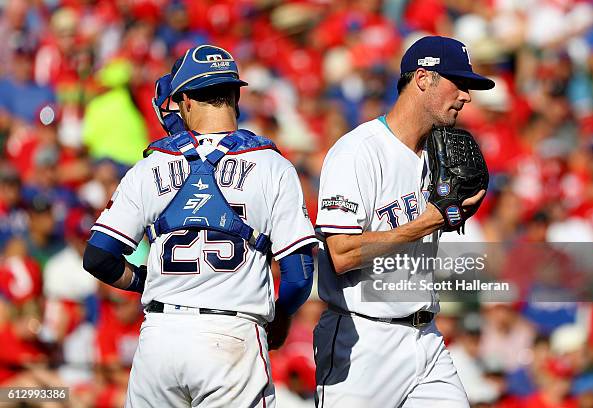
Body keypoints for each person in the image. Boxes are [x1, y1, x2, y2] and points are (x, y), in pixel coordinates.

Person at [82, 44, 318, 407]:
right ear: (235, 95)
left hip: (159, 337)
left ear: (186, 100)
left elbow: (98, 256)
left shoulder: (151, 166)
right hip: (232, 337)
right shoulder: (273, 166)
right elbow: (299, 276)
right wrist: (279, 316)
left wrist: (144, 280)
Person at [313, 36, 493, 407]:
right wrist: (429, 222)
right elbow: (341, 254)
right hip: (363, 340)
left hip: (426, 336)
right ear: (423, 78)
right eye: (458, 84)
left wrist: (449, 218)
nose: (467, 96)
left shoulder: (440, 154)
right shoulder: (358, 151)